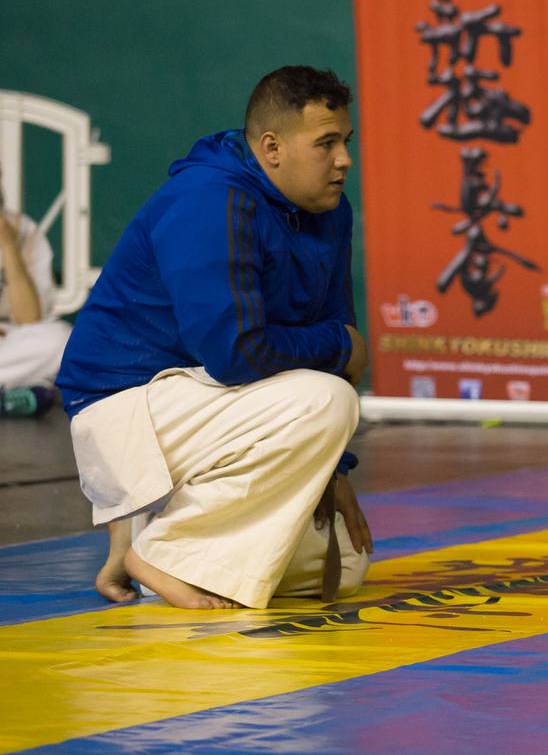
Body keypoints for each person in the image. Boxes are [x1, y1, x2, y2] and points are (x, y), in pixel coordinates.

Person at [58, 65, 372, 610]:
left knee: (340, 564)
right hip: (125, 409)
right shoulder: (210, 199)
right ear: (272, 148)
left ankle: (148, 537)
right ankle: (158, 551)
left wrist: (332, 466)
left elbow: (327, 330)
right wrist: (343, 347)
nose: (344, 159)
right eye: (326, 143)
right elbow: (237, 355)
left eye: (345, 141)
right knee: (326, 398)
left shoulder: (327, 208)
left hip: (207, 406)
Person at [0, 192, 70, 415]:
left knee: (59, 339)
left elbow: (30, 319)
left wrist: (9, 246)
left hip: (9, 341)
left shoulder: (23, 230)